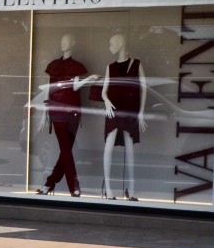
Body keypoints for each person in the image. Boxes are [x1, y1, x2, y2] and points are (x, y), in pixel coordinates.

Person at [35, 34, 94, 198]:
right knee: (66, 151)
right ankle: (74, 186)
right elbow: (49, 89)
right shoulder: (54, 65)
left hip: (73, 112)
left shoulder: (76, 66)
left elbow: (75, 87)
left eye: (67, 40)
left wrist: (88, 79)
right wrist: (43, 113)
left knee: (65, 151)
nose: (63, 43)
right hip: (57, 112)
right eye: (61, 40)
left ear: (73, 43)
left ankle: (49, 184)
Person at [100, 34, 148, 201]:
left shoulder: (136, 64)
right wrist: (106, 102)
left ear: (120, 44)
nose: (110, 46)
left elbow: (144, 89)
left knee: (130, 150)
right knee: (109, 147)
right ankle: (109, 189)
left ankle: (132, 190)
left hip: (130, 112)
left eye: (111, 43)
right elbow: (103, 91)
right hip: (113, 111)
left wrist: (141, 113)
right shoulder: (110, 67)